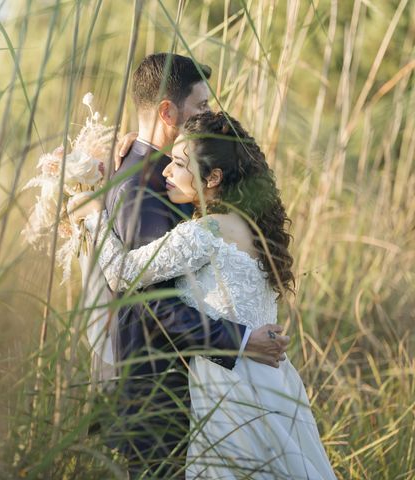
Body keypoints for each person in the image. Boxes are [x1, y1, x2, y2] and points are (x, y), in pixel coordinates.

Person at [71, 110, 336, 478]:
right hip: (272, 384)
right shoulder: (252, 228)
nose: (165, 171)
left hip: (229, 395)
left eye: (179, 164)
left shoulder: (203, 233)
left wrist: (96, 215)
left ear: (213, 178)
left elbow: (122, 273)